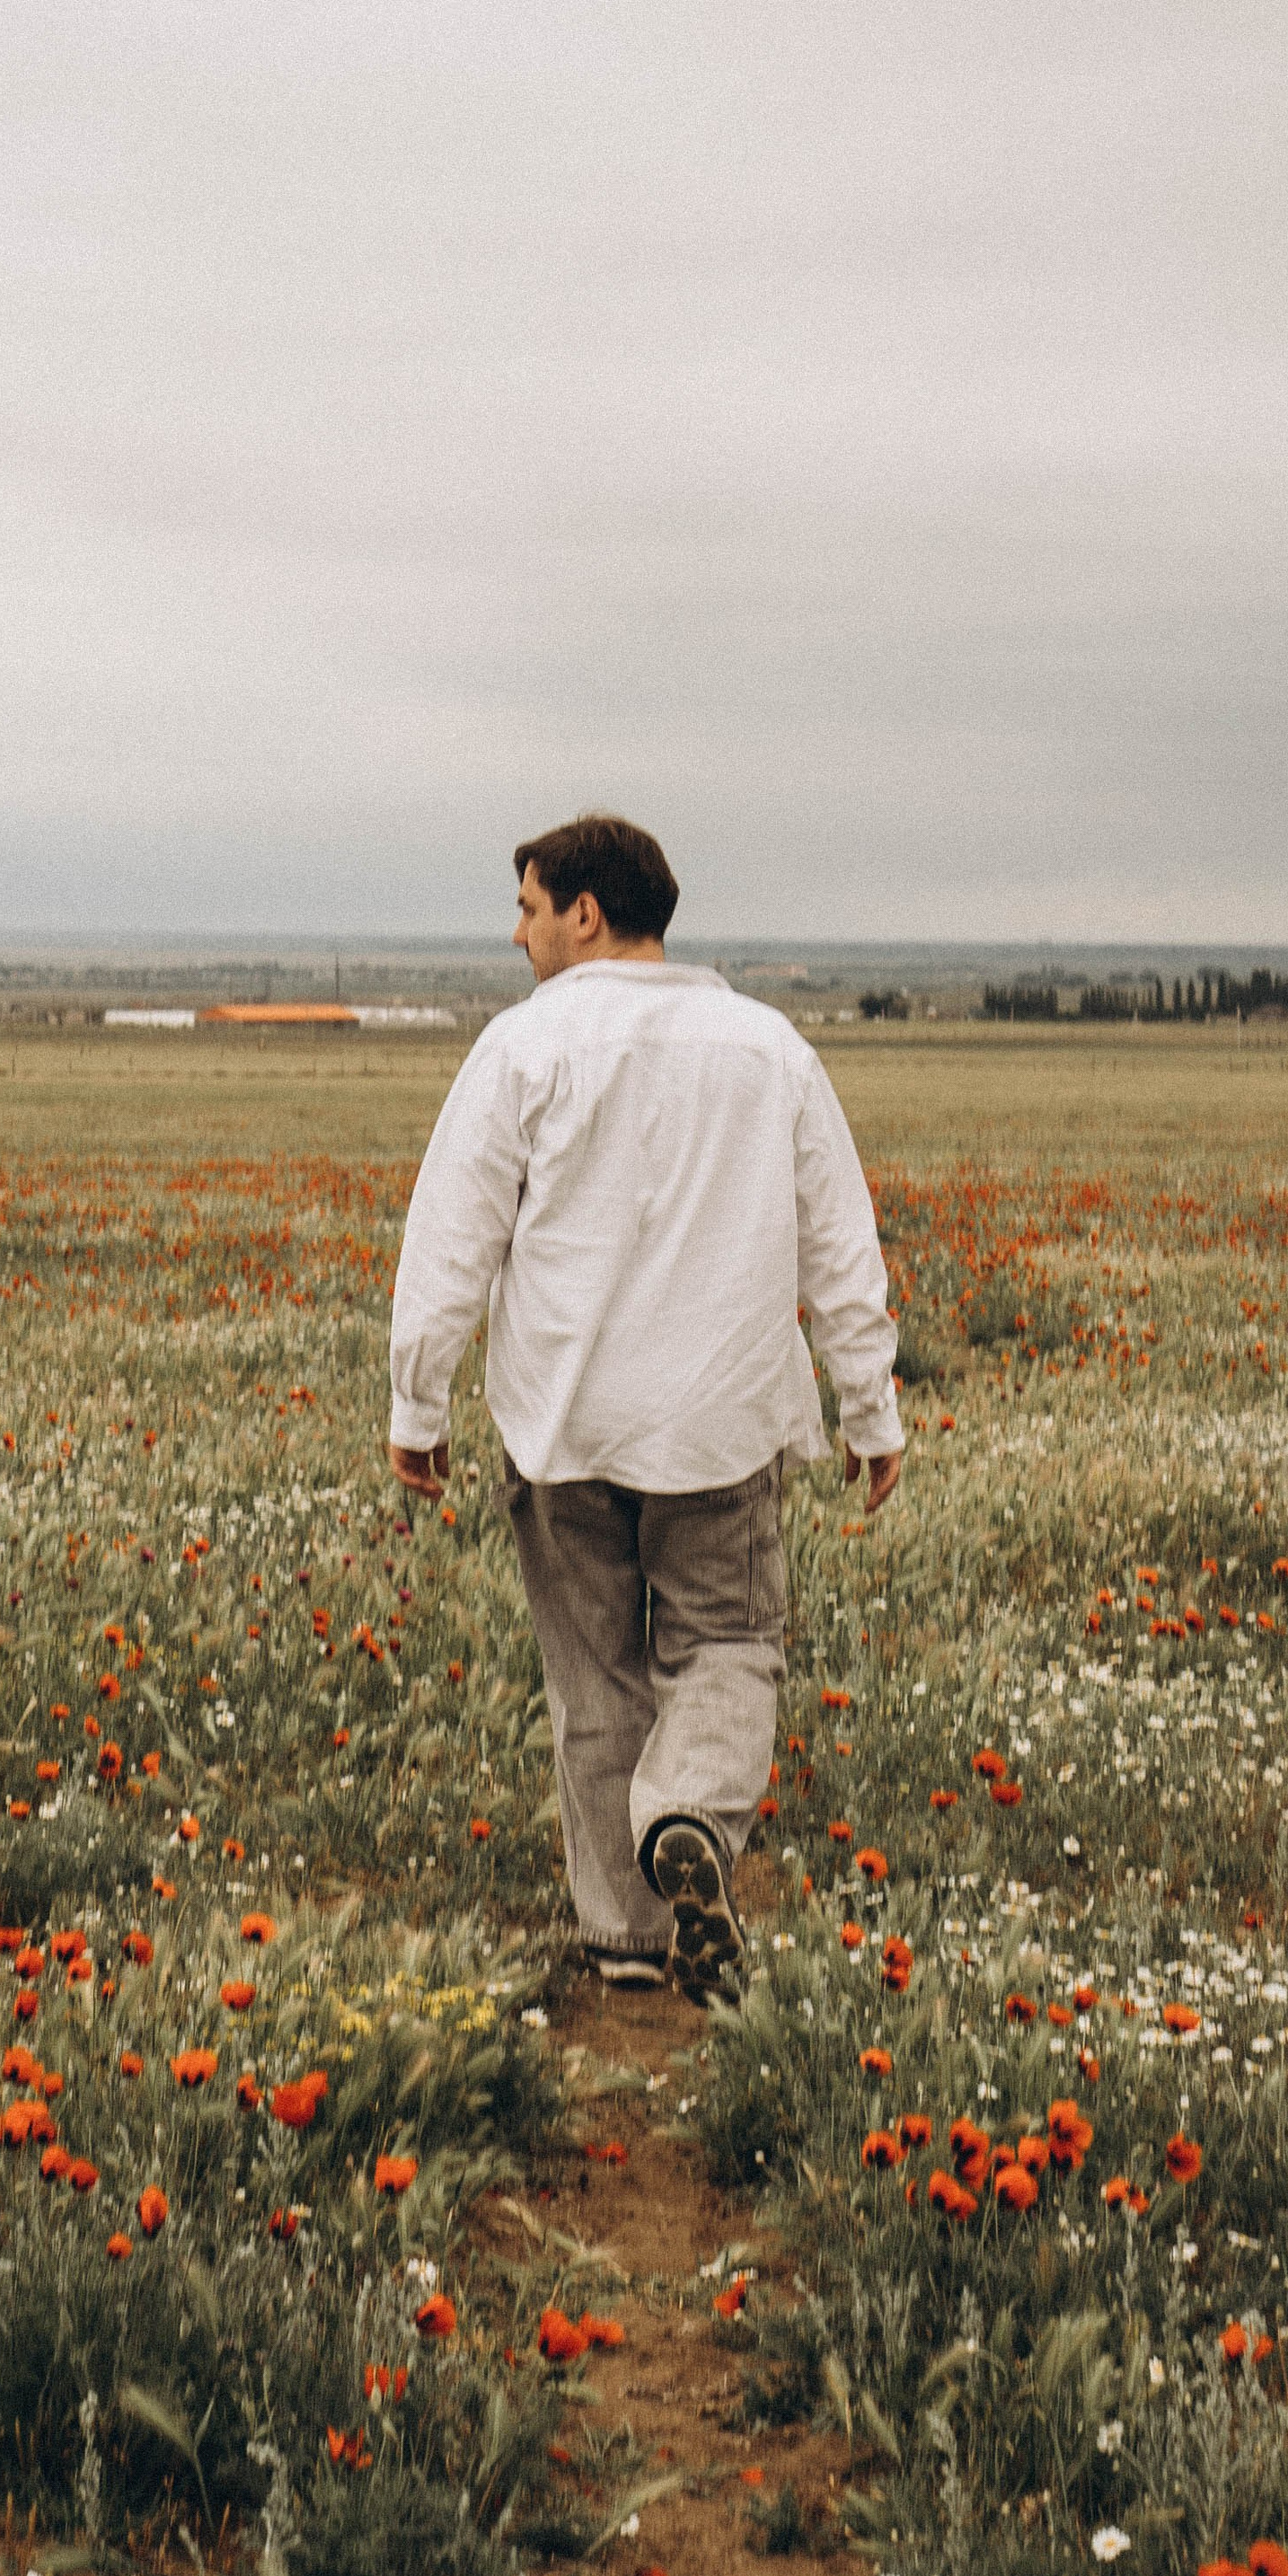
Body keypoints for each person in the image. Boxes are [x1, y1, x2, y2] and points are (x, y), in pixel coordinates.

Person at [386, 813, 903, 2003]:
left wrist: (419, 1403)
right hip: (722, 1424)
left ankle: (624, 1934)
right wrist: (869, 1410)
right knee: (728, 1646)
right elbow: (840, 1243)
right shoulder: (769, 1049)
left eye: (528, 907)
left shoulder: (521, 1050)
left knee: (595, 1681)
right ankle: (689, 1824)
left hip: (560, 1423)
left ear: (588, 911)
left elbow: (451, 1240)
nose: (516, 933)